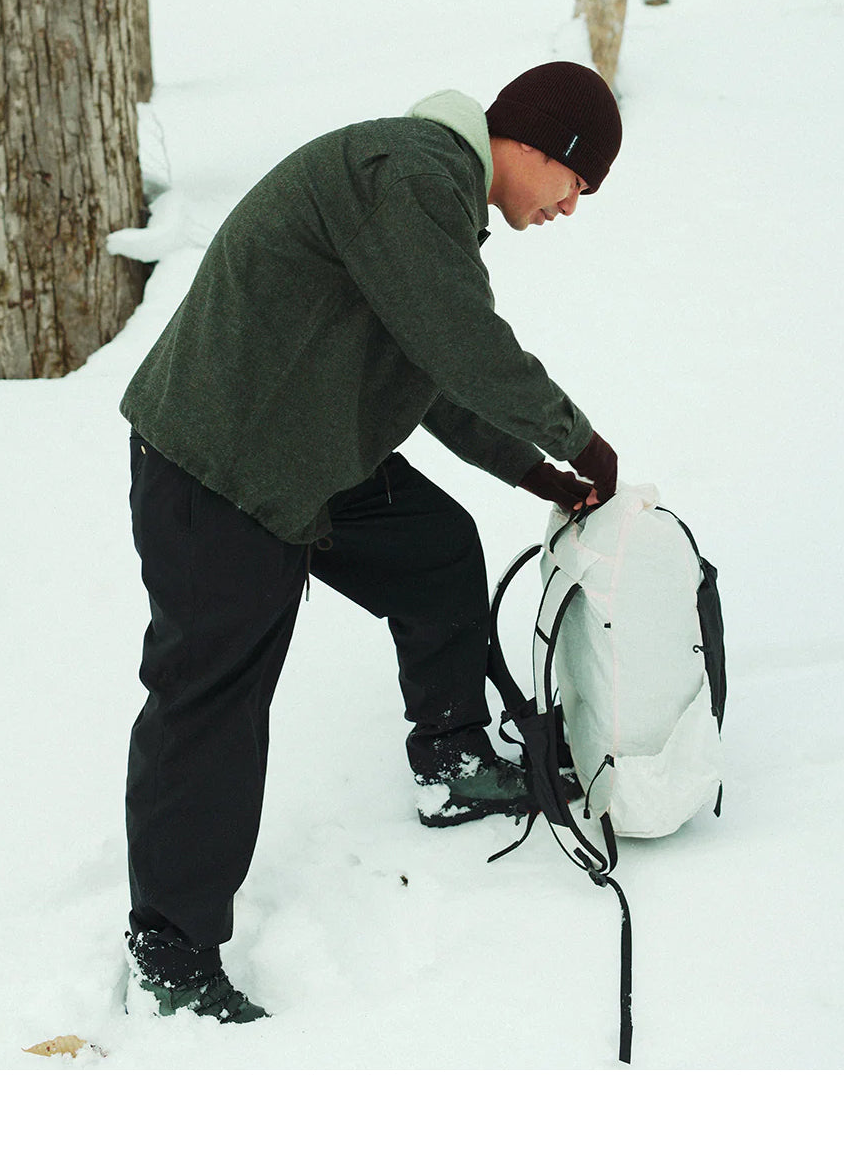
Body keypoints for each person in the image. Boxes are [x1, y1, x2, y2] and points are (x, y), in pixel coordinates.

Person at [121, 60, 623, 1022]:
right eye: (578, 180)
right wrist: (576, 434)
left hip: (297, 447)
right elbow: (459, 338)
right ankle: (172, 950)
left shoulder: (424, 200)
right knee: (212, 699)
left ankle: (449, 758)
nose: (574, 205)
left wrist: (535, 472)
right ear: (538, 145)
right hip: (218, 463)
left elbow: (428, 366)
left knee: (434, 548)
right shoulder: (411, 172)